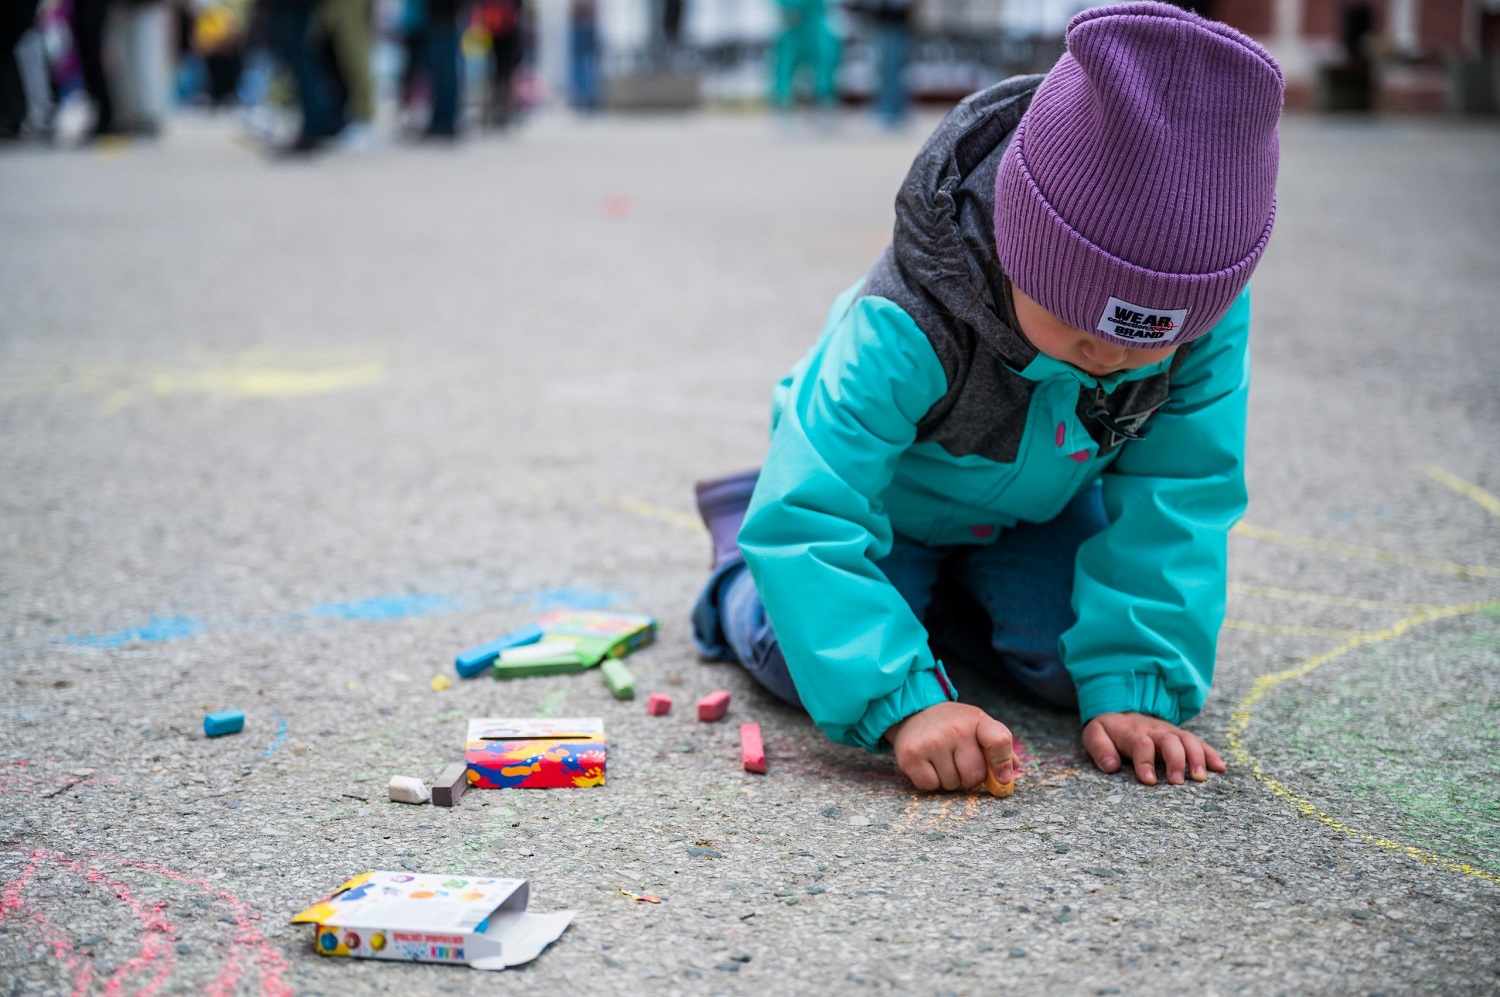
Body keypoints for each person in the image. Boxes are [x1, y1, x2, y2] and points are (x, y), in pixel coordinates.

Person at [692, 3, 1282, 793]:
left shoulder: (1202, 329)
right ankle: (739, 564)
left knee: (1070, 674)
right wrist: (904, 702)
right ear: (1017, 241)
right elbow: (812, 513)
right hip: (880, 509)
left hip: (1029, 512)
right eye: (1075, 319)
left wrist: (1141, 684)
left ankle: (942, 609)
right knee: (802, 659)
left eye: (1149, 343)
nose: (1108, 357)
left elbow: (1183, 493)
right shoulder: (909, 321)